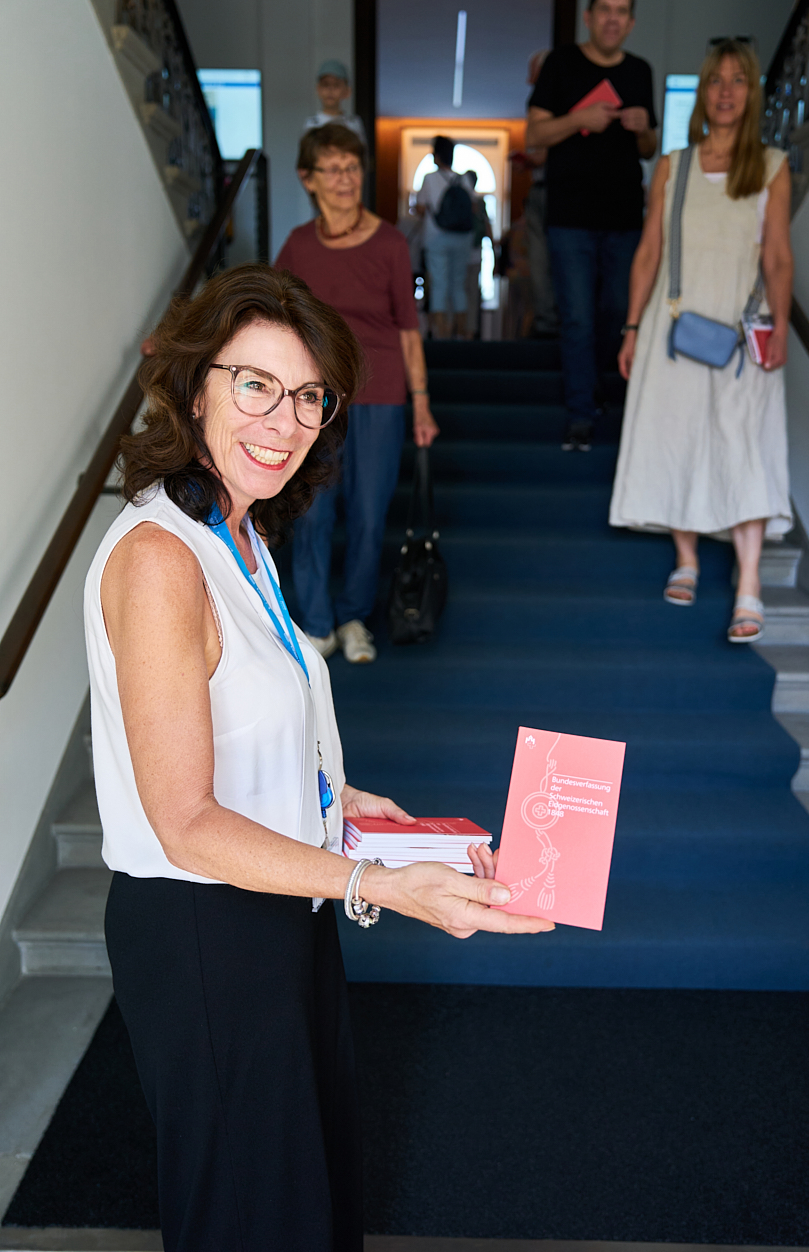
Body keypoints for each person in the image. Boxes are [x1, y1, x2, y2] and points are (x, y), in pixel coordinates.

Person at [84, 264, 553, 1252]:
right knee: (250, 1217)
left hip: (280, 914)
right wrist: (375, 879)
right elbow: (185, 818)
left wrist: (355, 808)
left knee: (308, 1201)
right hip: (205, 931)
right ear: (191, 383)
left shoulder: (244, 536)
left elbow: (262, 741)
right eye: (254, 383)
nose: (285, 419)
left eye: (308, 394)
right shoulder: (162, 556)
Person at [608, 40, 793, 643]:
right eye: (717, 79)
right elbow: (648, 253)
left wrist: (782, 328)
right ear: (704, 91)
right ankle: (686, 557)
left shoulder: (770, 165)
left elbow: (779, 257)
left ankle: (748, 584)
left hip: (746, 332)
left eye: (739, 80)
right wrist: (633, 326)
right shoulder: (674, 165)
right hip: (672, 326)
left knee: (746, 446)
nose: (726, 90)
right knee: (677, 434)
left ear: (752, 91)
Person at [275, 123, 438, 664]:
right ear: (308, 179)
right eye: (333, 168)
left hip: (382, 393)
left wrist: (421, 403)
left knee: (369, 515)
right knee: (312, 513)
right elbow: (268, 314)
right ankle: (316, 623)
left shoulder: (390, 242)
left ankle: (353, 618)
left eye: (353, 167)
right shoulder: (298, 246)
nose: (346, 179)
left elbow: (408, 328)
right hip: (314, 398)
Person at [527, 0, 657, 450]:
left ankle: (596, 386)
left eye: (621, 11)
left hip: (625, 218)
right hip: (569, 218)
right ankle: (581, 412)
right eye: (604, 9)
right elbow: (534, 136)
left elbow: (649, 148)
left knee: (617, 311)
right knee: (578, 317)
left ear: (631, 20)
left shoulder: (640, 71)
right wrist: (579, 119)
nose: (612, 19)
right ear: (588, 15)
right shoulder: (560, 64)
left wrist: (645, 129)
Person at [416, 136, 474, 339]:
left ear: (437, 155)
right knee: (458, 285)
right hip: (462, 237)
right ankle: (461, 334)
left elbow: (421, 208)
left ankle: (441, 334)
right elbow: (473, 207)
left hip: (436, 237)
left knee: (439, 284)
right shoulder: (464, 179)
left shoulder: (429, 178)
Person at [524, 49, 560, 339]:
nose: (528, 79)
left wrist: (537, 159)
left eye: (533, 72)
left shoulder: (556, 102)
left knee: (548, 257)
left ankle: (549, 321)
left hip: (557, 190)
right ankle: (547, 320)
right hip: (543, 190)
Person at [462, 169, 494, 338]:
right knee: (470, 293)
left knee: (467, 293)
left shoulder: (474, 202)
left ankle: (466, 331)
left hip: (467, 254)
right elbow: (488, 229)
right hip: (469, 254)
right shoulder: (475, 202)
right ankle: (467, 330)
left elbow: (487, 227)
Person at [303, 59, 367, 143]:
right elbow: (306, 155)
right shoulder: (311, 124)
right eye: (325, 85)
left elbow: (361, 154)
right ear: (318, 89)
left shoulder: (353, 124)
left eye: (336, 85)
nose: (330, 90)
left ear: (347, 91)